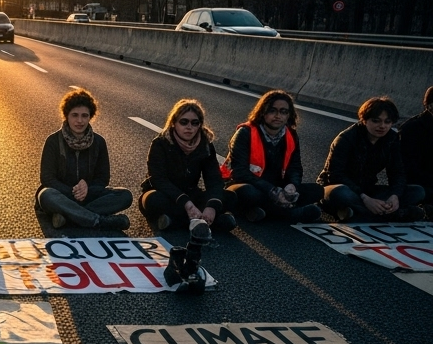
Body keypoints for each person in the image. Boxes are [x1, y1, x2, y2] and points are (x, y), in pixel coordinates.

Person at [35, 88, 132, 231]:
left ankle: (68, 216)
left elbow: (103, 178)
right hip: (61, 194)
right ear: (66, 116)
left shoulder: (99, 142)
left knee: (125, 196)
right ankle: (98, 221)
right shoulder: (53, 141)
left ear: (90, 117)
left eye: (84, 116)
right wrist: (72, 192)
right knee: (46, 195)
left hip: (88, 195)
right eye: (74, 115)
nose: (79, 121)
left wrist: (87, 187)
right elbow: (47, 178)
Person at [139, 98, 236, 237]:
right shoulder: (160, 143)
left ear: (200, 125)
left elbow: (214, 179)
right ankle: (210, 223)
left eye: (194, 123)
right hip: (166, 194)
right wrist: (186, 203)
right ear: (174, 123)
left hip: (192, 193)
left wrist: (211, 206)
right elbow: (158, 179)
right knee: (152, 200)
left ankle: (175, 222)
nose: (189, 127)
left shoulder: (205, 145)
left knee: (230, 196)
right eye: (183, 122)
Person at [318, 96, 425, 221]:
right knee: (341, 193)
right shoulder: (346, 138)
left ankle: (356, 212)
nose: (382, 126)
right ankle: (391, 214)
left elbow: (397, 172)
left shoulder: (392, 139)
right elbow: (335, 175)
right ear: (364, 120)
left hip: (368, 189)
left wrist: (394, 196)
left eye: (387, 122)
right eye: (376, 121)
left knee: (417, 191)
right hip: (338, 187)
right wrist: (365, 198)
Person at [222, 90, 323, 223]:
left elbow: (295, 167)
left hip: (278, 187)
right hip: (247, 184)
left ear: (289, 115)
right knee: (248, 193)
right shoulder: (245, 133)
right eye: (272, 111)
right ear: (263, 112)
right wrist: (272, 191)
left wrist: (292, 186)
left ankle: (258, 211)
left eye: (283, 112)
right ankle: (291, 214)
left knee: (317, 190)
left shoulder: (291, 135)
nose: (277, 116)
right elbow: (240, 173)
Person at [400, 86, 433, 217]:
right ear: (429, 106)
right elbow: (408, 168)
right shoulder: (412, 129)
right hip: (420, 184)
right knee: (419, 192)